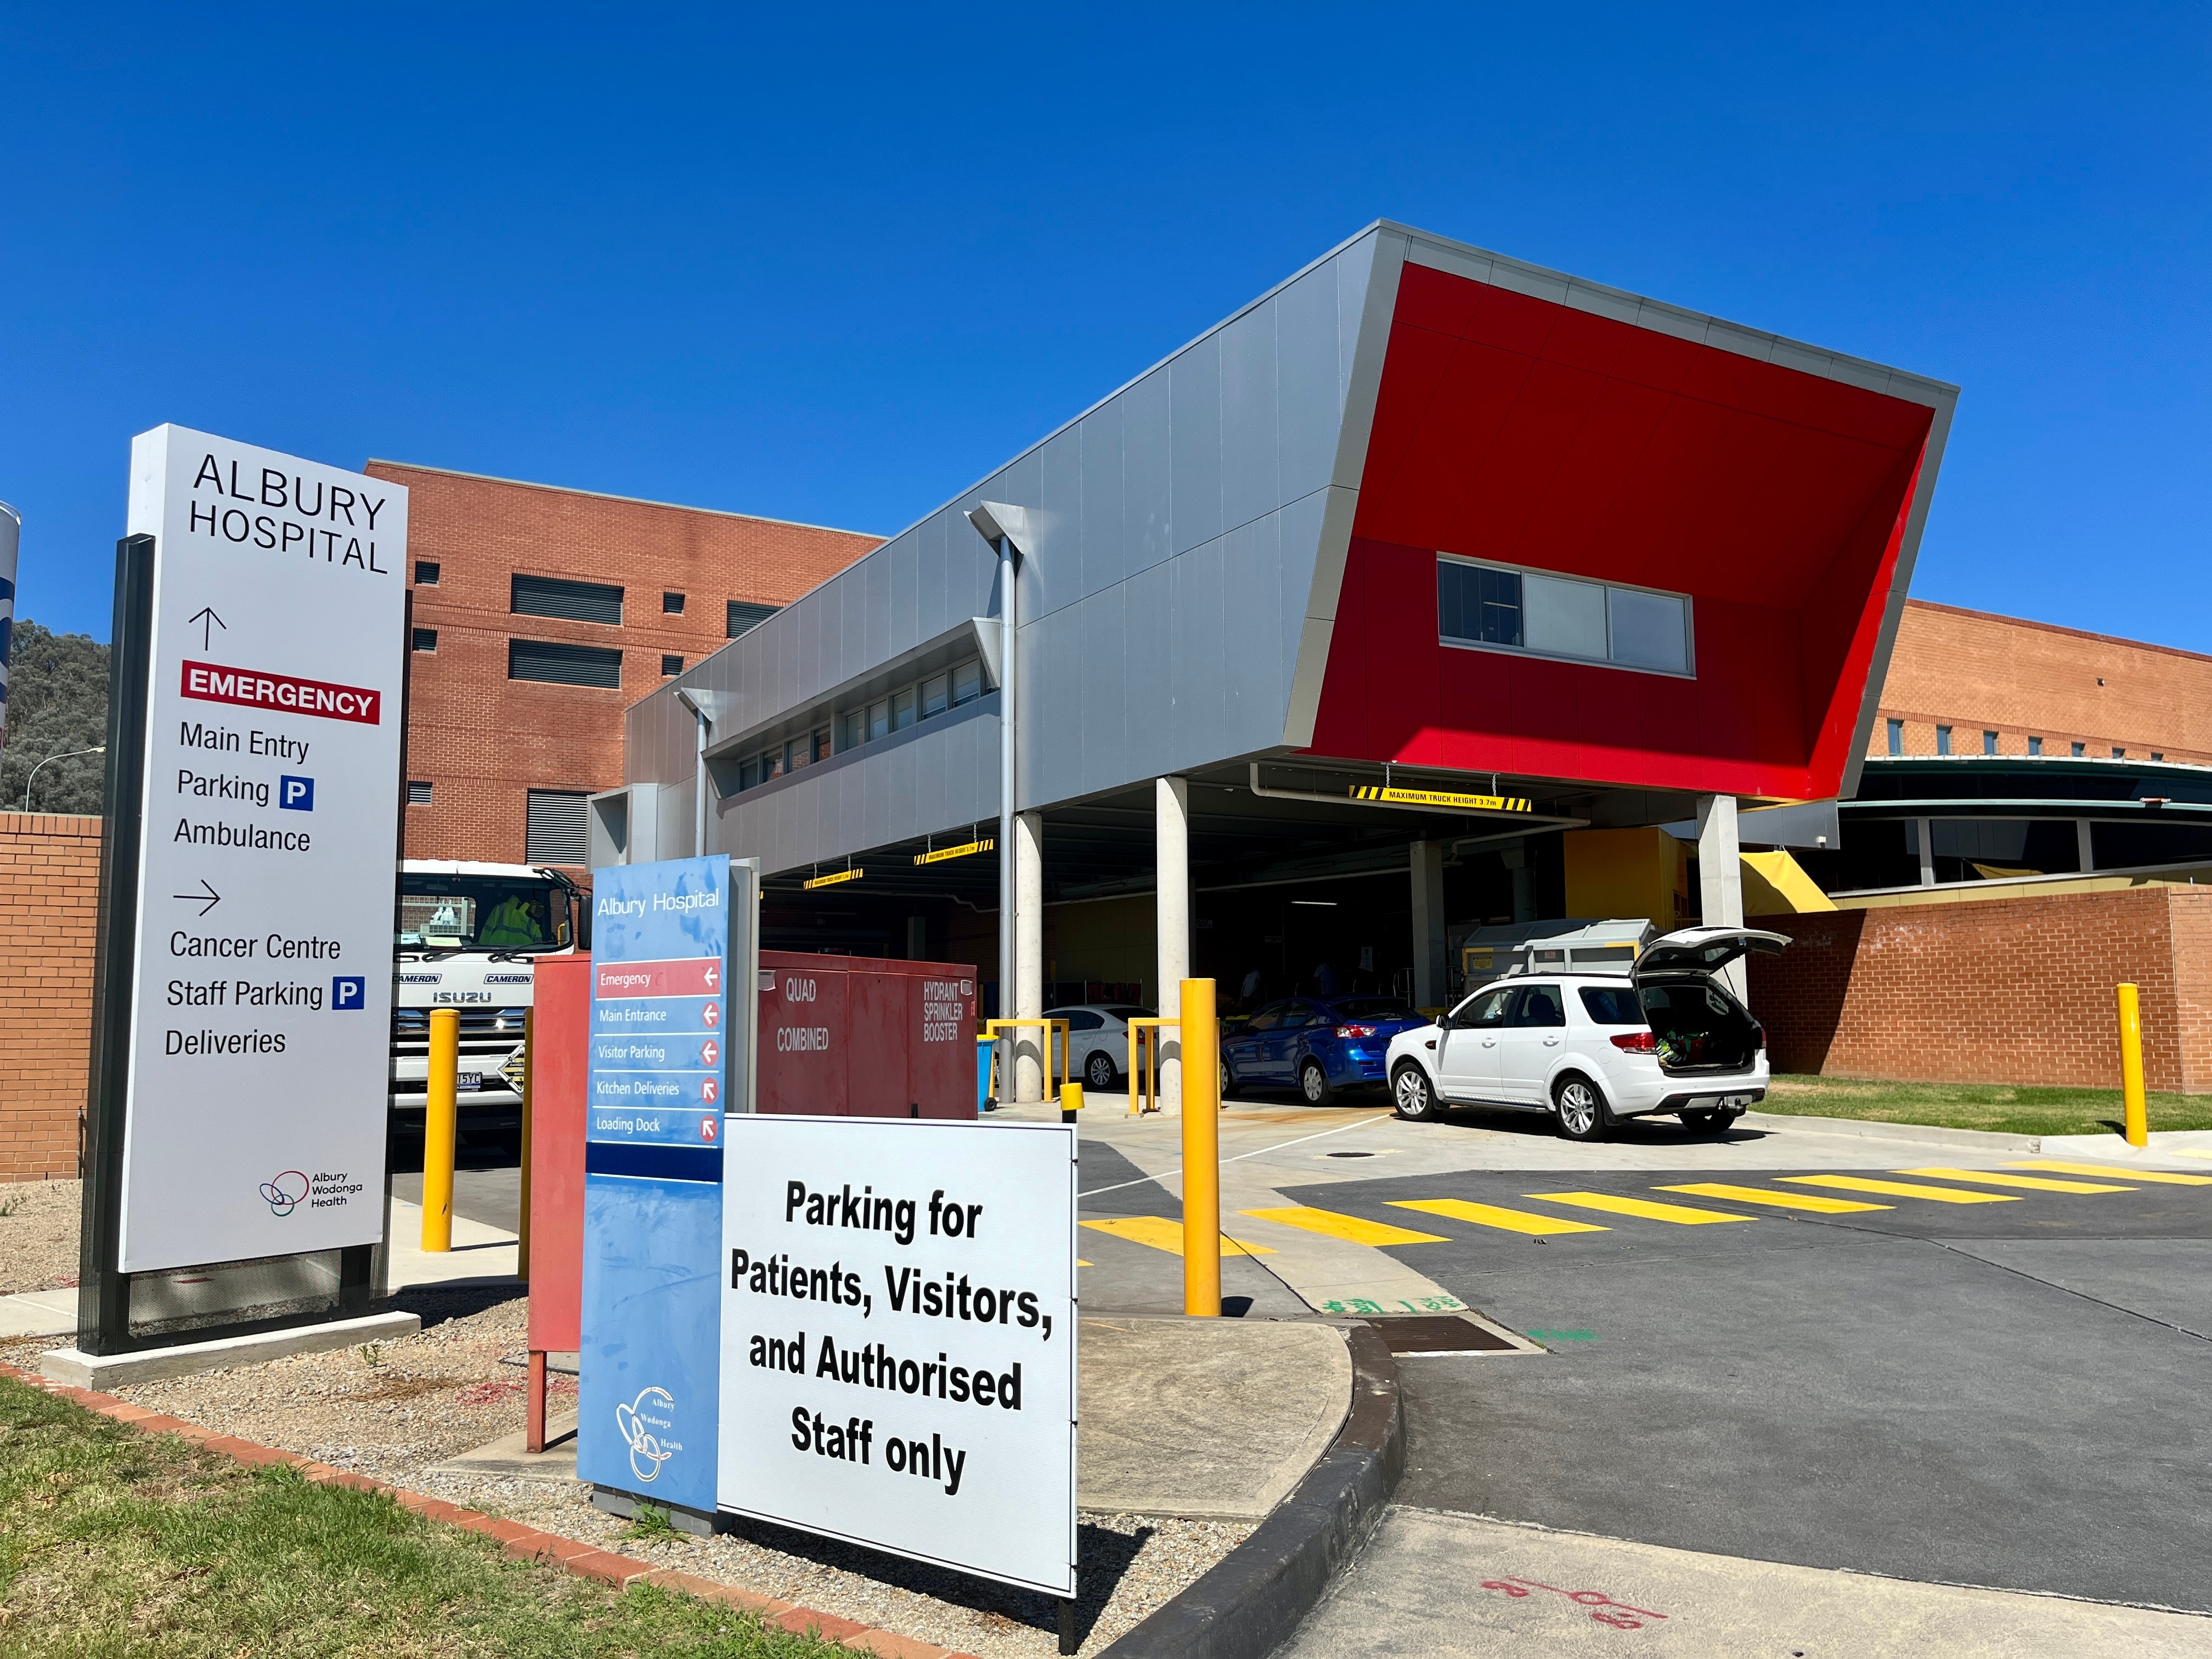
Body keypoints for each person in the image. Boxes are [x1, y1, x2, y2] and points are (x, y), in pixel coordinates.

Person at [479, 892, 545, 947]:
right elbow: (539, 948)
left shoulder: (501, 909)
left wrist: (481, 951)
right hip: (524, 958)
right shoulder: (532, 921)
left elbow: (486, 932)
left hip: (494, 955)